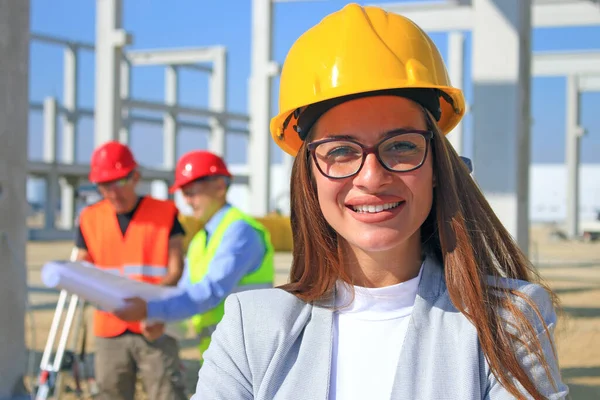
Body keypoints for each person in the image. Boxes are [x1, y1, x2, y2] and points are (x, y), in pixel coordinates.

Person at [190, 4, 568, 400]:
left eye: (402, 145)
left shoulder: (506, 322)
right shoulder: (251, 329)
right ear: (309, 178)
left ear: (438, 166)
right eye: (339, 151)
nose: (371, 177)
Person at [113, 150, 275, 357]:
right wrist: (162, 321)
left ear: (219, 187)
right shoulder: (200, 240)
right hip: (218, 352)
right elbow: (187, 290)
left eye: (192, 192)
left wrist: (151, 309)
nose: (187, 201)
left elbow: (210, 290)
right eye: (184, 193)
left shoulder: (239, 231)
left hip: (249, 352)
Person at [75, 140, 187, 400]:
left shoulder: (165, 212)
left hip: (154, 323)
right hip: (109, 326)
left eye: (119, 182)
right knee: (110, 393)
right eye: (104, 185)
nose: (113, 192)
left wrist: (150, 306)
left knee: (166, 392)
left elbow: (176, 268)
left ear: (135, 176)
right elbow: (82, 267)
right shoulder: (89, 218)